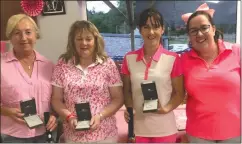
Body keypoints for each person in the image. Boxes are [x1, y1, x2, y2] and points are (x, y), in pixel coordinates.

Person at [51, 20, 124, 143]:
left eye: (88, 39)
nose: (84, 43)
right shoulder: (62, 63)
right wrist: (69, 117)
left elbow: (118, 98)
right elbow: (56, 99)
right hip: (73, 136)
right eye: (79, 39)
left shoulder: (108, 64)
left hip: (105, 135)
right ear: (72, 41)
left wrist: (100, 116)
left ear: (95, 41)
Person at [122, 8, 185, 143]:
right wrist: (129, 108)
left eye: (156, 27)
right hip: (139, 129)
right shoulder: (129, 58)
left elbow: (179, 93)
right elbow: (126, 91)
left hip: (165, 127)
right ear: (140, 30)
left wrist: (166, 109)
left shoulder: (173, 58)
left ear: (162, 29)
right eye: (146, 27)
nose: (151, 32)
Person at [181, 3, 241, 143]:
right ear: (189, 35)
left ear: (213, 29)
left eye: (204, 28)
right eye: (193, 30)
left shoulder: (237, 52)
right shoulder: (183, 60)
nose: (199, 34)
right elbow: (173, 91)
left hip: (235, 132)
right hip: (198, 134)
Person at [0, 14, 57, 143]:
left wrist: (54, 115)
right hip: (12, 135)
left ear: (36, 35)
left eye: (28, 32)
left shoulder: (49, 65)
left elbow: (57, 99)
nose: (23, 38)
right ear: (10, 37)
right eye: (17, 33)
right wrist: (7, 111)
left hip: (45, 133)